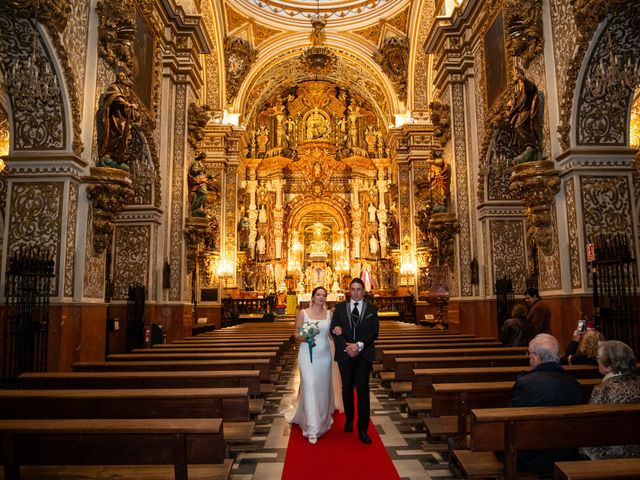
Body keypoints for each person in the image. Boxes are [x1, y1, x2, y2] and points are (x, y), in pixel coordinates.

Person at [510, 334, 583, 474]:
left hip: (531, 457)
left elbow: (512, 416)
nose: (529, 357)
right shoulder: (574, 384)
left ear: (536, 357)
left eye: (529, 354)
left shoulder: (525, 383)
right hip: (567, 454)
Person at [330, 278, 379, 444]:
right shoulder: (339, 308)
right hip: (345, 354)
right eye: (353, 289)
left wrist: (358, 345)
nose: (356, 292)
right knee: (347, 389)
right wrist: (347, 346)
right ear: (349, 291)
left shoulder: (372, 309)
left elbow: (374, 332)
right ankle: (349, 419)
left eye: (359, 289)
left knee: (363, 390)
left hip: (363, 354)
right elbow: (334, 330)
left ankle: (363, 429)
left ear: (363, 291)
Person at [286, 286, 336, 444]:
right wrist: (305, 337)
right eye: (318, 295)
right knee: (310, 385)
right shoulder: (303, 313)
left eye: (324, 295)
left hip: (324, 356)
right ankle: (313, 428)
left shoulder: (329, 314)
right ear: (313, 297)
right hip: (307, 355)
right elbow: (295, 334)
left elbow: (331, 335)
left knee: (321, 388)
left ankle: (323, 419)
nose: (321, 297)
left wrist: (340, 334)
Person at [581, 340, 640, 460]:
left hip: (612, 452)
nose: (596, 361)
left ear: (608, 366)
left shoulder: (604, 389)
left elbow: (591, 423)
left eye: (598, 358)